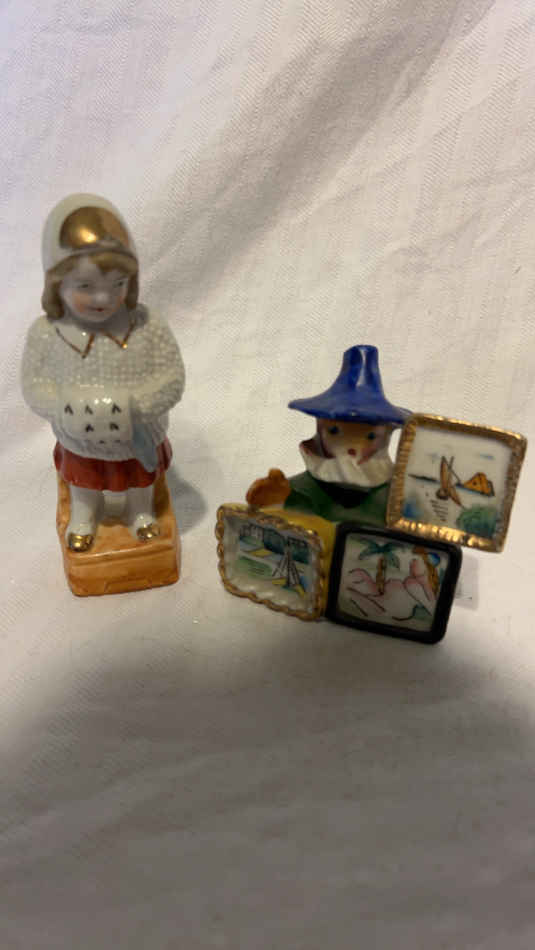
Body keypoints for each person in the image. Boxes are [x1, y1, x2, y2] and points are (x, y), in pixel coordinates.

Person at [21, 194, 185, 552]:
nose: (103, 298)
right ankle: (84, 514)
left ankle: (140, 512)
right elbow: (33, 385)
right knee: (85, 480)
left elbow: (172, 378)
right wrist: (64, 407)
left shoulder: (147, 326)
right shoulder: (48, 333)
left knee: (139, 480)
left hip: (139, 434)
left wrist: (135, 406)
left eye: (117, 284)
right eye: (85, 286)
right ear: (57, 284)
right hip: (80, 438)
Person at [247, 345, 410, 525]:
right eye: (334, 432)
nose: (351, 449)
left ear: (386, 435)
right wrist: (277, 503)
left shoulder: (395, 500)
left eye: (370, 437)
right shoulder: (302, 489)